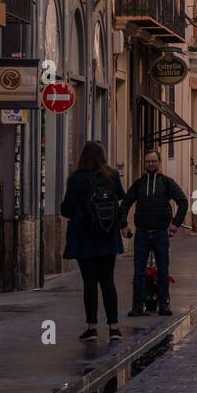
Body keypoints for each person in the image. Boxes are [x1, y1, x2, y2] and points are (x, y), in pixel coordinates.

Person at [60, 141, 126, 342]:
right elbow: (121, 198)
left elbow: (66, 210)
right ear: (102, 156)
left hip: (85, 238)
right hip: (107, 236)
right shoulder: (112, 175)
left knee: (90, 283)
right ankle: (114, 328)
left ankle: (92, 328)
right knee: (108, 281)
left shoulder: (77, 179)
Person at [121, 148, 188, 317]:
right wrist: (123, 224)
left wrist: (175, 224)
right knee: (139, 272)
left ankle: (164, 305)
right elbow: (125, 204)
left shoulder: (166, 182)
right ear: (144, 163)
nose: (150, 164)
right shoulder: (138, 184)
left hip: (160, 233)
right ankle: (137, 306)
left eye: (153, 161)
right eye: (148, 161)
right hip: (142, 233)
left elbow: (183, 201)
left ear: (159, 163)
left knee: (163, 271)